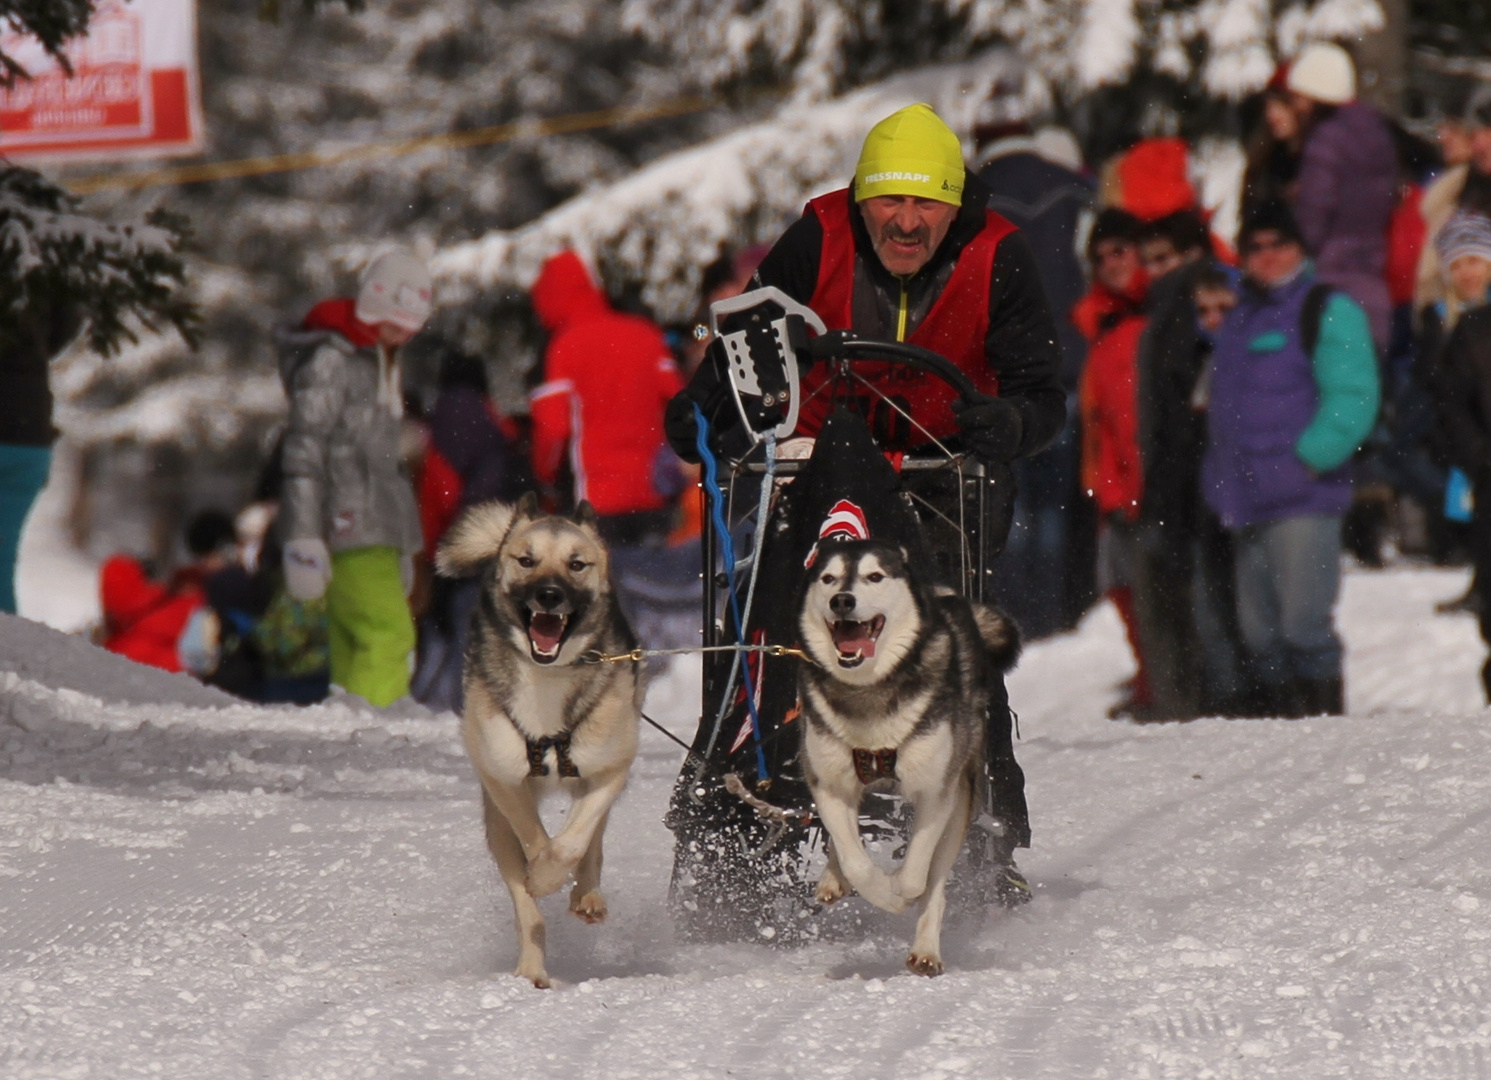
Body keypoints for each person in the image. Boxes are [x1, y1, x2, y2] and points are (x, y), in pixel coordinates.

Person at [666, 102, 1067, 901]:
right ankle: (755, 760)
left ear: (956, 206)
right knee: (773, 610)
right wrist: (699, 406)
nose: (907, 222)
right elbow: (743, 349)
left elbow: (1043, 397)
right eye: (889, 201)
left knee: (947, 623)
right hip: (816, 469)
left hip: (941, 472)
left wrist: (1011, 420)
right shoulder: (817, 238)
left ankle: (981, 814)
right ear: (860, 201)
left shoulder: (1000, 259)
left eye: (926, 204)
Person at [1202, 200, 1381, 717]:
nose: (1267, 256)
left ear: (1300, 248)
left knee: (1304, 626)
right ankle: (1284, 738)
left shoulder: (1326, 307)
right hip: (1245, 497)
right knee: (1260, 637)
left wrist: (1310, 458)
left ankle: (1325, 733)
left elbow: (1355, 396)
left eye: (1278, 243)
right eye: (1254, 246)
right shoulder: (1239, 317)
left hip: (1304, 497)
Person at [275, 248, 432, 708]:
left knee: (354, 641)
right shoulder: (333, 361)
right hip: (347, 521)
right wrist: (302, 536)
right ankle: (376, 734)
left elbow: (384, 466)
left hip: (372, 524)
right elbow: (304, 448)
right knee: (389, 636)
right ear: (376, 304)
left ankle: (349, 728)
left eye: (411, 328)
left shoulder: (376, 359)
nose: (403, 335)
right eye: (397, 323)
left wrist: (402, 543)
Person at [976, 117, 1098, 638]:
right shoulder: (1074, 190)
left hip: (1000, 378)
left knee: (1011, 508)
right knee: (1057, 506)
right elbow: (1093, 269)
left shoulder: (969, 198)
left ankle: (1017, 619)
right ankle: (1059, 616)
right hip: (1068, 369)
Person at [529, 250, 684, 547]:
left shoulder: (564, 347)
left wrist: (546, 483)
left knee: (606, 587)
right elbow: (681, 405)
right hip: (655, 492)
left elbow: (554, 431)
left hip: (597, 500)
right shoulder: (646, 335)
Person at [411, 347, 531, 712]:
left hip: (465, 547)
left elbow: (438, 494)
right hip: (506, 541)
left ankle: (460, 708)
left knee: (462, 632)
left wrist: (437, 552)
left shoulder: (443, 423)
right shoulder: (493, 422)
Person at [1073, 208, 1154, 717]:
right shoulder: (1103, 325)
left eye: (1120, 251)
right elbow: (1097, 415)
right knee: (1125, 588)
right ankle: (1152, 678)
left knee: (1157, 590)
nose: (1111, 264)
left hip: (1149, 483)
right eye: (1101, 257)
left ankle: (1170, 684)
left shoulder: (1150, 316)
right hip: (1114, 489)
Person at [1285, 41, 1398, 354]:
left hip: (1331, 273)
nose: (1295, 105)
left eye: (1298, 96)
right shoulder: (1376, 131)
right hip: (1372, 274)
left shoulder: (1325, 139)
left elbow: (1315, 212)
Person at [1426, 212, 1491, 671]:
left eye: (1475, 260)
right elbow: (1443, 398)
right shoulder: (1441, 321)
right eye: (1457, 264)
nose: (1467, 273)